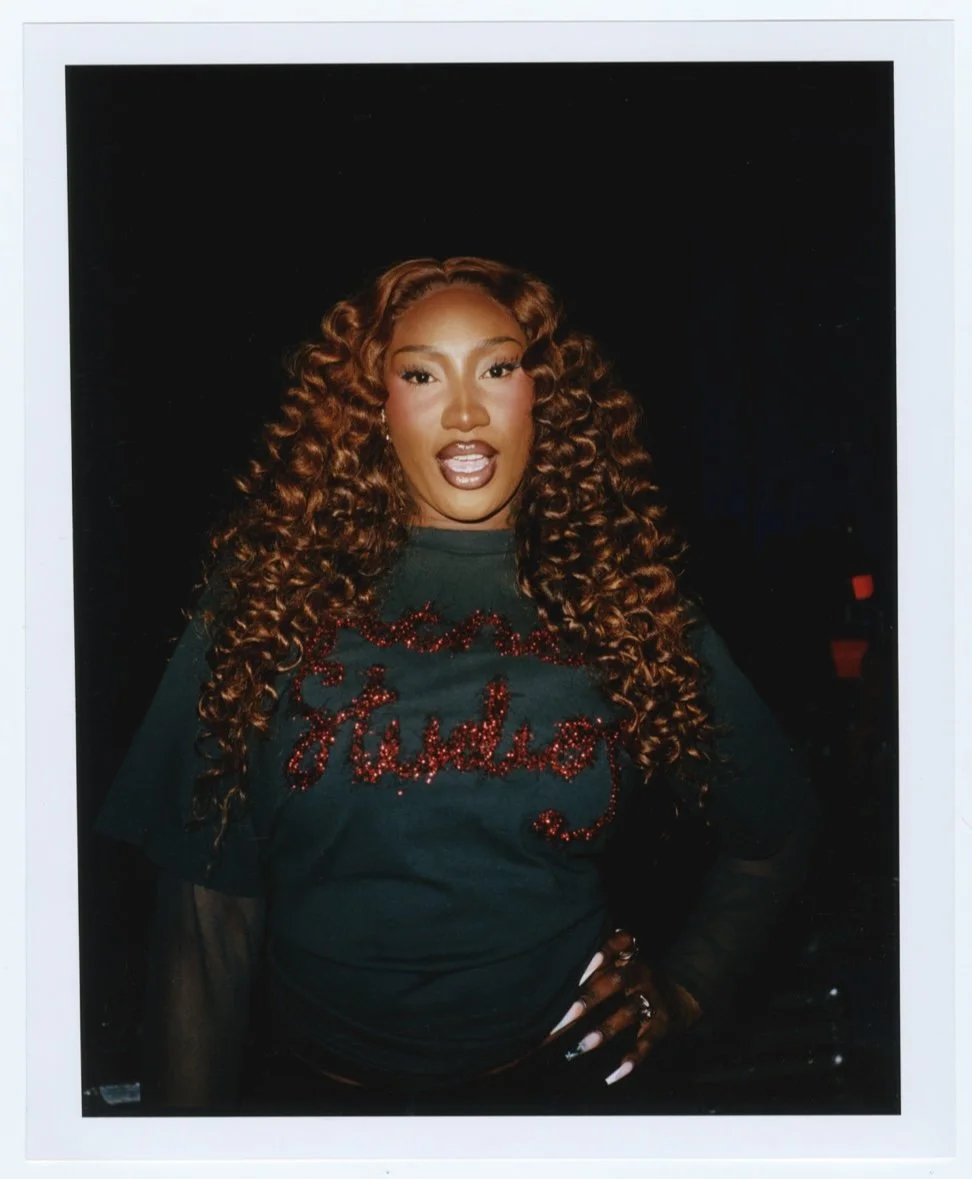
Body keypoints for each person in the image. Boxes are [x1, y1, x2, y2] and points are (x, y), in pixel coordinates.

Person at [94, 256, 818, 1115]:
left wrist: (689, 987)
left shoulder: (619, 600)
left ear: (540, 394)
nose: (467, 410)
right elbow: (204, 929)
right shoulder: (266, 602)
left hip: (562, 1111)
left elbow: (776, 825)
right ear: (377, 403)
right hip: (320, 1117)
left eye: (498, 368)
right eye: (423, 373)